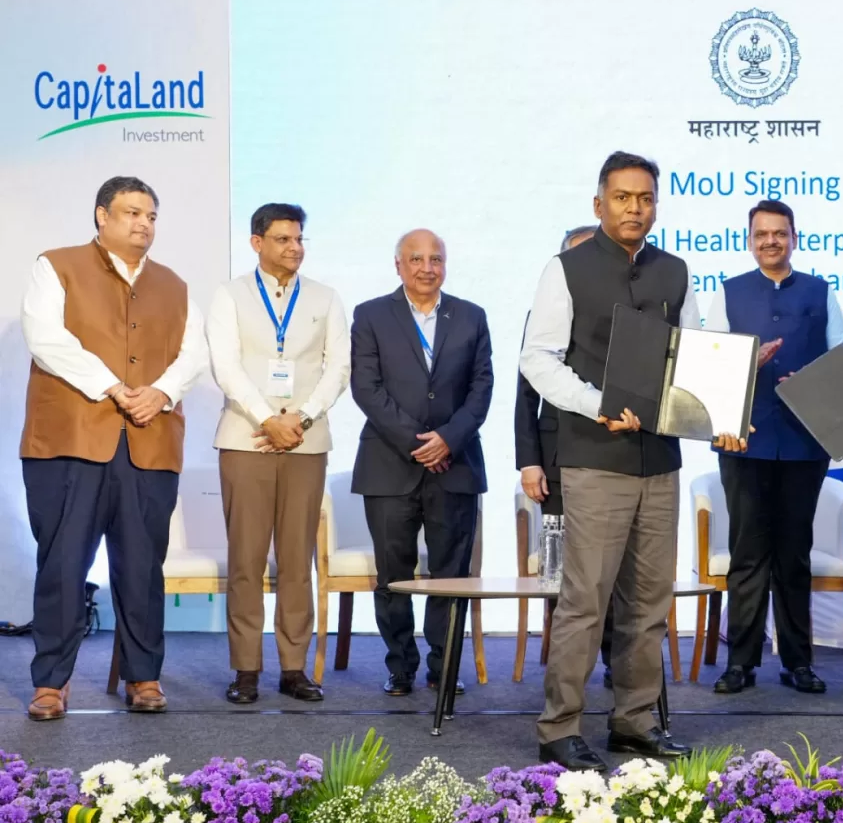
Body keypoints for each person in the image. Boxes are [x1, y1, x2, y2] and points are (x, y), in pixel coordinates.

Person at [522, 151, 740, 771]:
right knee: (585, 602)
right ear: (599, 204)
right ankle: (559, 728)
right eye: (622, 198)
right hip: (594, 458)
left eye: (645, 198)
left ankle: (635, 723)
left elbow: (693, 360)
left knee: (650, 603)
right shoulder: (565, 270)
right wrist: (597, 405)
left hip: (659, 460)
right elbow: (537, 359)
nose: (634, 208)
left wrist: (725, 413)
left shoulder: (675, 271)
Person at [21, 176, 208, 720]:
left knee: (143, 567)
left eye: (151, 216)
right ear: (102, 215)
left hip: (150, 442)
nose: (143, 224)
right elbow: (46, 337)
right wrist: (112, 386)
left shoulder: (175, 285)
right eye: (131, 213)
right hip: (70, 443)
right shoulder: (55, 266)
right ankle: (51, 682)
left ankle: (143, 677)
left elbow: (194, 354)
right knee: (62, 564)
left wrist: (162, 392)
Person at [207, 203, 350, 704]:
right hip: (246, 438)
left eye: (299, 239)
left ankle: (293, 669)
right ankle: (246, 669)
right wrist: (267, 418)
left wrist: (300, 419)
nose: (295, 248)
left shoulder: (326, 298)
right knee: (246, 559)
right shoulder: (229, 295)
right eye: (283, 239)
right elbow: (225, 366)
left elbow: (339, 369)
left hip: (306, 442)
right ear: (257, 242)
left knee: (296, 558)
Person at [703, 199, 843, 696]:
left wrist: (812, 381)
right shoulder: (728, 293)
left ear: (794, 238)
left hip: (805, 443)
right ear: (749, 240)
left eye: (780, 233)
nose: (771, 241)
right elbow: (708, 367)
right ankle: (740, 663)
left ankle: (798, 662)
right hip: (744, 440)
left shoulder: (821, 291)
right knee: (747, 555)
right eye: (761, 234)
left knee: (794, 556)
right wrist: (749, 364)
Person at [350, 229, 492, 698]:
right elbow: (366, 388)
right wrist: (420, 443)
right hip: (389, 465)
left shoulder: (471, 316)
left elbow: (482, 389)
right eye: (416, 259)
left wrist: (448, 440)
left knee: (451, 577)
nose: (427, 268)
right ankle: (400, 667)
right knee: (393, 576)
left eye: (436, 259)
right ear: (399, 265)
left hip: (456, 465)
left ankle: (444, 666)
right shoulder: (371, 315)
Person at [515, 224, 621, 689]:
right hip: (556, 463)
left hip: (615, 455)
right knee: (559, 570)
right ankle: (565, 667)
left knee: (613, 569)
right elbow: (524, 398)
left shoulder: (625, 318)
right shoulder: (540, 317)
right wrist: (529, 461)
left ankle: (616, 658)